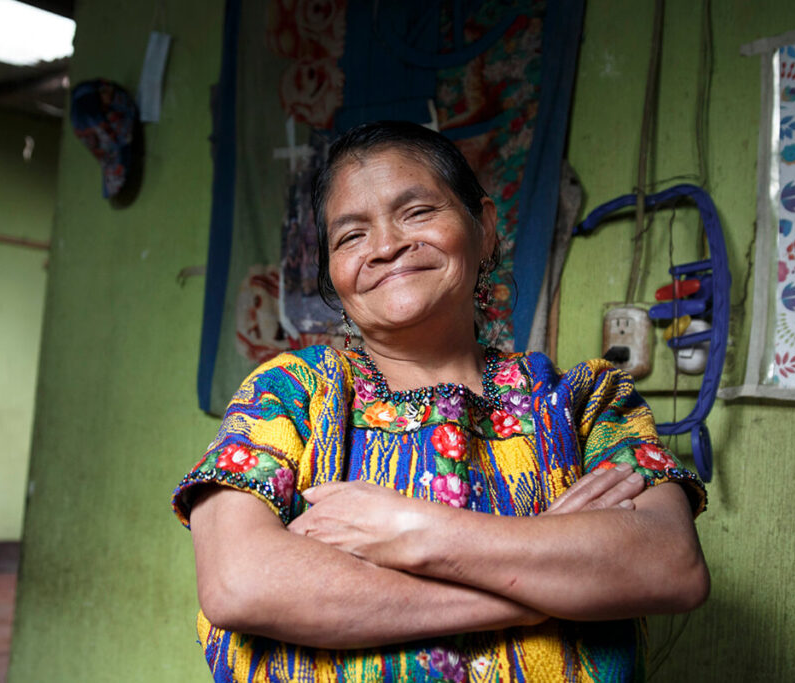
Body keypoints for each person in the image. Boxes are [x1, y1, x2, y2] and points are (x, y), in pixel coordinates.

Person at [172, 120, 709, 682]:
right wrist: (540, 589)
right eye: (351, 235)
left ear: (485, 227)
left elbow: (670, 564)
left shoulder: (585, 403)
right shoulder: (288, 397)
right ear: (332, 271)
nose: (385, 247)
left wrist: (412, 531)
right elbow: (240, 582)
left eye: (417, 212)